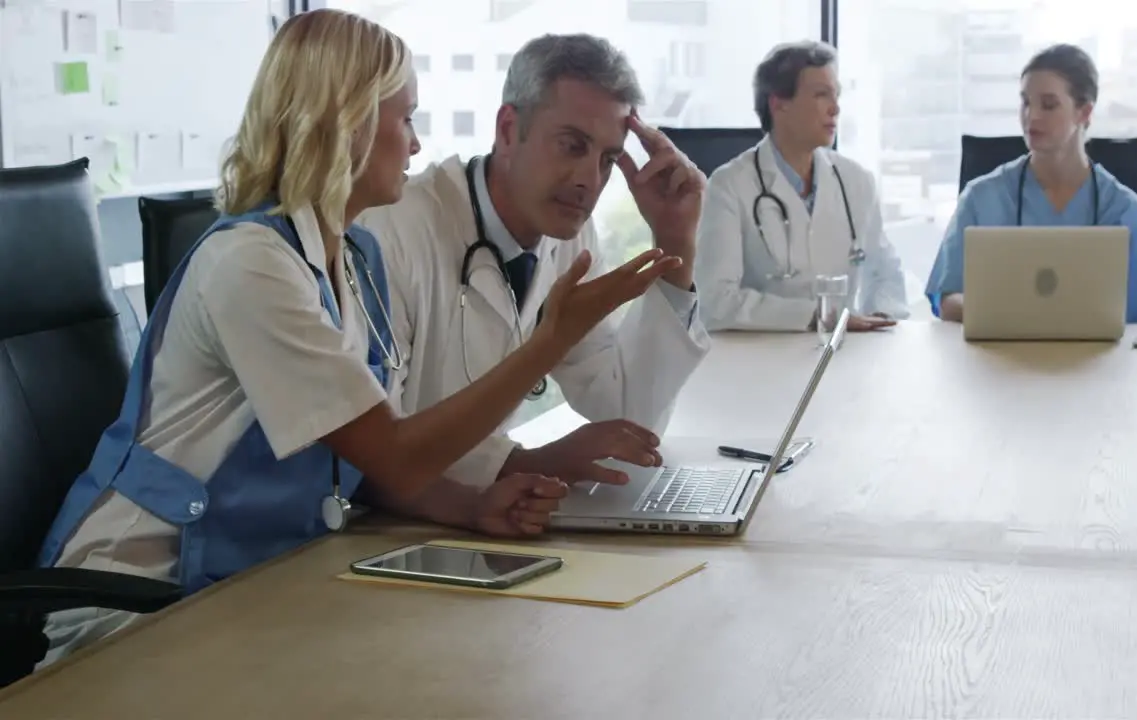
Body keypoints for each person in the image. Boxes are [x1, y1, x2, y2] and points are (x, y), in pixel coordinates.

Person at [35, 11, 673, 664]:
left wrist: (472, 507)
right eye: (406, 120)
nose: (418, 146)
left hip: (254, 575)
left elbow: (361, 463)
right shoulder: (250, 266)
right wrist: (548, 339)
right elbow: (395, 455)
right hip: (136, 596)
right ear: (345, 124)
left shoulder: (352, 259)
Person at [357, 33, 711, 489]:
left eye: (608, 159)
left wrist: (675, 243)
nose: (589, 180)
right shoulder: (392, 231)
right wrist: (531, 461)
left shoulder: (569, 236)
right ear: (507, 130)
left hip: (487, 514)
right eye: (572, 145)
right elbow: (373, 455)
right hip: (384, 529)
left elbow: (626, 418)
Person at [924, 44, 1137, 323]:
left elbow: (1134, 313)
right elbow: (948, 298)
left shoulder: (1123, 210)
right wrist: (1014, 319)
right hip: (998, 360)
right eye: (1025, 102)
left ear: (1083, 112)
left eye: (1048, 105)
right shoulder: (982, 198)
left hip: (1096, 363)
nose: (1031, 116)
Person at [693, 40, 908, 333]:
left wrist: (880, 315)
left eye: (836, 96)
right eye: (821, 95)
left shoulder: (856, 181)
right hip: (756, 359)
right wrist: (815, 316)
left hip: (841, 354)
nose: (835, 108)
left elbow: (885, 271)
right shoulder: (728, 186)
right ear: (778, 103)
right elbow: (716, 302)